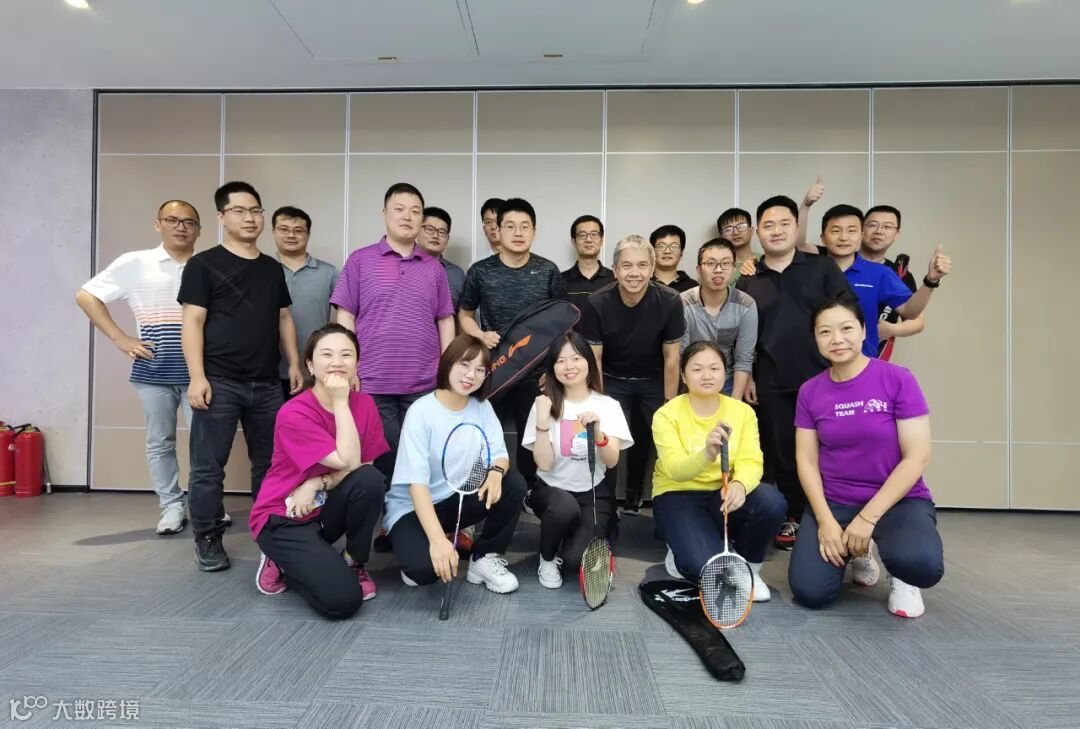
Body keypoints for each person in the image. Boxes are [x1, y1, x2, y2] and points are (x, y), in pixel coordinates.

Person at [790, 292, 944, 617]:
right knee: (809, 591)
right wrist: (825, 521)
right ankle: (858, 552)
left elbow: (917, 457)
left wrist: (866, 519)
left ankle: (900, 574)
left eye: (846, 328)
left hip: (897, 501)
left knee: (921, 564)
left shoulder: (897, 379)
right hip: (836, 501)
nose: (837, 339)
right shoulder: (810, 391)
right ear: (815, 338)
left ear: (863, 330)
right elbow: (806, 460)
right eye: (825, 331)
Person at [179, 181, 302, 572]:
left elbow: (284, 317)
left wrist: (294, 363)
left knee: (271, 465)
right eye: (239, 211)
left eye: (255, 210)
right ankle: (208, 537)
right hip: (219, 381)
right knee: (207, 467)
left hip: (266, 383)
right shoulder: (203, 264)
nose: (249, 218)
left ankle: (270, 532)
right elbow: (192, 322)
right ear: (221, 217)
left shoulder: (271, 268)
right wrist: (197, 377)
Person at [76, 199, 203, 535]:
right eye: (172, 220)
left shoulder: (207, 265)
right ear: (158, 224)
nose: (180, 227)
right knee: (160, 442)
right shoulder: (135, 263)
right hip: (153, 371)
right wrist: (120, 339)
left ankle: (205, 505)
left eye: (189, 222)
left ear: (199, 230)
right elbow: (87, 296)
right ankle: (171, 506)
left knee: (205, 444)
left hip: (200, 373)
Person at [734, 195, 852, 551]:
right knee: (782, 451)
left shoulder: (822, 268)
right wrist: (750, 375)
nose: (777, 231)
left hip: (824, 378)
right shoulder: (749, 278)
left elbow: (846, 315)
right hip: (770, 380)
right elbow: (743, 335)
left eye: (784, 224)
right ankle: (794, 516)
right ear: (757, 232)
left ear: (797, 228)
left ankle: (836, 517)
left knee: (831, 449)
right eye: (768, 225)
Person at [250, 324, 388, 618]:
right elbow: (347, 460)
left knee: (371, 480)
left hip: (321, 506)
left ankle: (353, 561)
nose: (337, 362)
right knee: (343, 602)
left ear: (357, 364)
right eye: (327, 354)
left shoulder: (365, 404)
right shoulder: (294, 412)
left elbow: (363, 466)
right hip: (285, 515)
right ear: (311, 365)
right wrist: (340, 400)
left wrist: (317, 482)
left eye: (346, 355)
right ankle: (280, 558)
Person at [332, 182, 455, 482]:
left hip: (424, 381)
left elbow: (445, 320)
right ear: (384, 214)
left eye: (415, 211)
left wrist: (446, 370)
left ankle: (414, 507)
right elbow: (345, 316)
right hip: (373, 380)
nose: (407, 216)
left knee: (421, 453)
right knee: (383, 454)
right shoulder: (360, 260)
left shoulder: (434, 268)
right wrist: (349, 367)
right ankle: (388, 508)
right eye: (399, 209)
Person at [386, 334, 527, 593]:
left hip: (456, 501)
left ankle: (483, 558)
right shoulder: (420, 411)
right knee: (423, 572)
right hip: (413, 507)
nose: (471, 375)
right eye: (464, 364)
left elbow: (500, 454)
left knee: (513, 483)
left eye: (480, 369)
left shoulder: (482, 407)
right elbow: (417, 485)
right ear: (448, 362)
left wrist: (496, 472)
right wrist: (437, 541)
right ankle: (417, 546)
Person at [652, 341, 787, 601]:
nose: (707, 375)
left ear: (725, 373)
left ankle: (749, 568)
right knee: (700, 566)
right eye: (697, 369)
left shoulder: (742, 412)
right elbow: (674, 469)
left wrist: (739, 485)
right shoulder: (666, 415)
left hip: (723, 493)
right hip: (678, 496)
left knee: (770, 501)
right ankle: (681, 545)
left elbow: (751, 460)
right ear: (683, 376)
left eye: (714, 368)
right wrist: (707, 454)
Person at [459, 197, 568, 492]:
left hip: (535, 372)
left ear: (534, 231)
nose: (518, 232)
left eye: (525, 226)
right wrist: (481, 335)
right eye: (510, 226)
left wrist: (553, 369)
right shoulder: (481, 271)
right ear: (498, 230)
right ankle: (477, 487)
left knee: (531, 435)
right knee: (481, 431)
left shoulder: (548, 270)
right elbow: (465, 315)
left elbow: (562, 324)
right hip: (493, 368)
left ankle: (530, 491)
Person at [581, 235, 685, 515]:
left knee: (661, 438)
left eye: (642, 265)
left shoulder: (670, 301)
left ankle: (653, 500)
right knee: (607, 438)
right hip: (613, 378)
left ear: (652, 269)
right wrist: (600, 403)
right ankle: (604, 508)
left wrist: (669, 405)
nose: (634, 273)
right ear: (615, 270)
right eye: (627, 266)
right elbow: (595, 359)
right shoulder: (596, 303)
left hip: (655, 378)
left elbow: (672, 358)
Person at [522, 333, 632, 587]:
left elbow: (612, 461)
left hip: (592, 492)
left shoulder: (608, 405)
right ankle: (547, 558)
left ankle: (595, 528)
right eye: (561, 361)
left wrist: (598, 434)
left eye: (576, 358)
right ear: (552, 368)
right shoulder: (543, 405)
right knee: (563, 509)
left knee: (575, 561)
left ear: (589, 363)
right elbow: (544, 464)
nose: (569, 366)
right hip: (551, 490)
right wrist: (542, 422)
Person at [817, 204, 949, 357]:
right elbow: (799, 244)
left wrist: (931, 281)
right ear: (823, 237)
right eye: (872, 225)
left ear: (859, 235)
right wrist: (806, 206)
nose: (843, 237)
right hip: (811, 362)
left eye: (887, 226)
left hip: (862, 360)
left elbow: (911, 313)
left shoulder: (882, 273)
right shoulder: (810, 266)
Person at [272, 205, 338, 401]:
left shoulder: (329, 273)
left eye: (298, 230)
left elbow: (348, 315)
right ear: (273, 231)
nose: (291, 235)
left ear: (308, 235)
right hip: (268, 373)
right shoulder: (262, 269)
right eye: (284, 229)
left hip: (313, 371)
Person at [679, 238, 757, 400]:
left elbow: (744, 358)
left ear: (734, 268)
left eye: (726, 263)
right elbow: (681, 355)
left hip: (727, 381)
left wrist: (735, 403)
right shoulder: (683, 303)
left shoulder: (745, 304)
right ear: (699, 269)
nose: (719, 270)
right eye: (711, 263)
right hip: (690, 381)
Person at [860, 204, 924, 359]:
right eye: (872, 225)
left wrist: (891, 329)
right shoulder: (841, 262)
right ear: (861, 229)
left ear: (896, 234)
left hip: (874, 358)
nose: (879, 231)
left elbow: (917, 321)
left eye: (887, 226)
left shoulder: (900, 275)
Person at [561, 214, 615, 312]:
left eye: (594, 234)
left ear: (601, 240)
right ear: (573, 241)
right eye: (582, 235)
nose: (589, 240)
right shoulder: (560, 280)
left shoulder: (615, 280)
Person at [416, 206, 465, 310]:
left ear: (447, 238)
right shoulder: (403, 266)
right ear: (416, 231)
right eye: (429, 229)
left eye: (442, 232)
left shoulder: (457, 274)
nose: (435, 235)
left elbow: (462, 315)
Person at [649, 225, 697, 292]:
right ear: (652, 252)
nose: (667, 251)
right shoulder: (643, 283)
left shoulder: (693, 287)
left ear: (681, 253)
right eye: (661, 246)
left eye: (674, 246)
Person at [716, 207, 757, 286]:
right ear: (721, 237)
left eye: (741, 227)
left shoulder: (766, 260)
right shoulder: (716, 268)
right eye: (728, 229)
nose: (735, 232)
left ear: (751, 231)